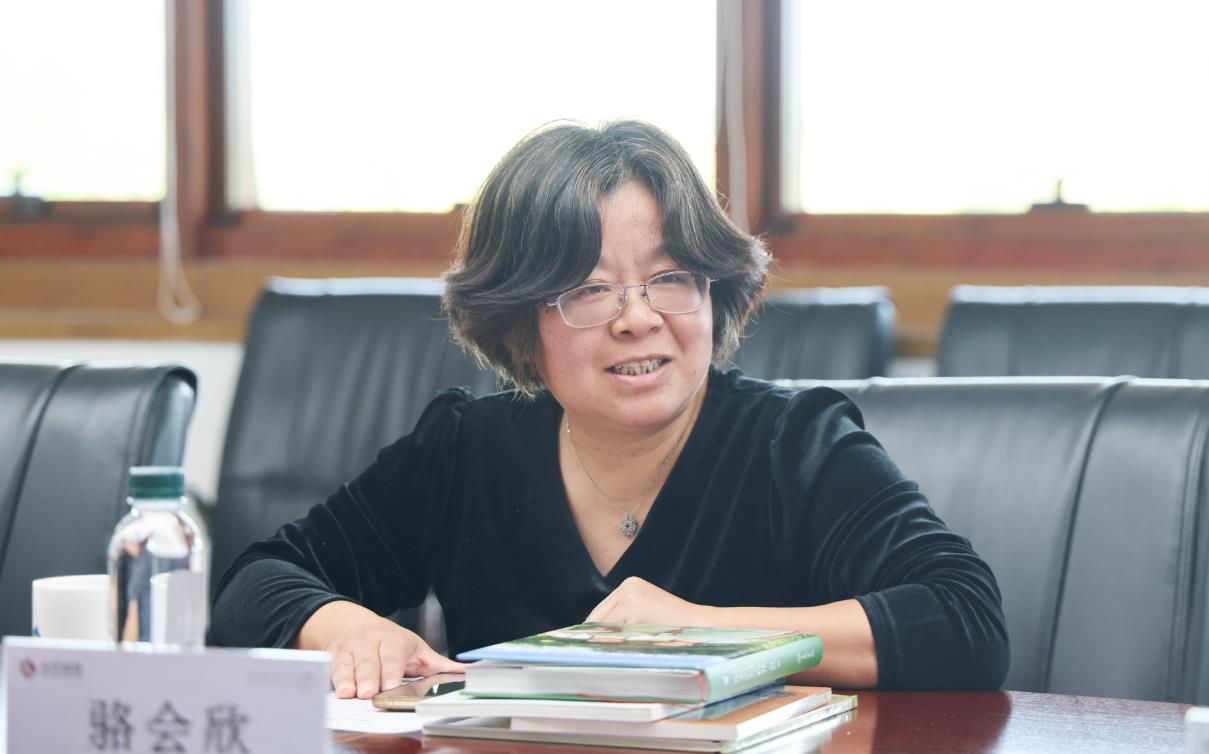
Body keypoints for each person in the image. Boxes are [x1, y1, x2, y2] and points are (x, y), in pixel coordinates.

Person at [210, 120, 1010, 699]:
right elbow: (255, 582)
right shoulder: (467, 449)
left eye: (669, 278)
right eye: (589, 289)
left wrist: (702, 631)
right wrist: (344, 627)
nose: (637, 317)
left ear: (713, 292)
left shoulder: (792, 445)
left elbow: (963, 621)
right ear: (519, 322)